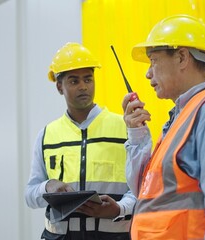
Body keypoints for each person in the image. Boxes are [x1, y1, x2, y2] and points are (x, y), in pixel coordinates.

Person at [121, 15, 205, 240]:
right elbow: (148, 197)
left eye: (153, 60)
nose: (148, 73)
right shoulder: (182, 117)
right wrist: (136, 135)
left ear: (182, 57)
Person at [25, 42, 135, 240]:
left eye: (88, 79)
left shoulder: (125, 128)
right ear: (60, 86)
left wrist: (119, 208)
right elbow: (30, 195)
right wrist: (48, 186)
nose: (83, 86)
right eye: (74, 81)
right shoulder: (47, 135)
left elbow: (143, 190)